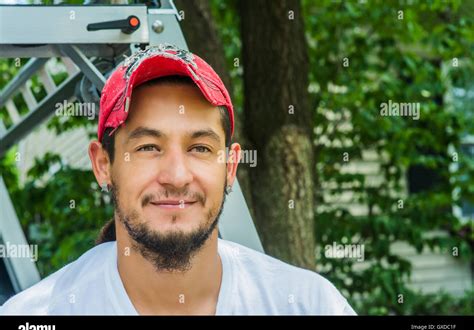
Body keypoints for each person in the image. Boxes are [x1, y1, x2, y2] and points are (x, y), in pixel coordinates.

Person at [1, 45, 356, 315]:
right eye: (148, 147)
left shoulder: (309, 305)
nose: (176, 176)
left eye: (200, 148)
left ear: (230, 166)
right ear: (103, 165)